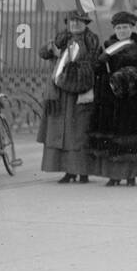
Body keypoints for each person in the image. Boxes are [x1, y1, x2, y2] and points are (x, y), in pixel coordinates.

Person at [89, 11, 137, 186]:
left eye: (125, 27)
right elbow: (96, 70)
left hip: (133, 99)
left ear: (132, 28)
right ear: (114, 29)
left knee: (131, 136)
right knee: (113, 136)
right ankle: (114, 175)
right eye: (119, 27)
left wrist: (130, 76)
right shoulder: (107, 46)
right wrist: (100, 62)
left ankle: (131, 174)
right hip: (111, 100)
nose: (122, 30)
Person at [38, 10, 102, 183]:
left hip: (81, 94)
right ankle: (68, 171)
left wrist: (71, 67)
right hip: (59, 94)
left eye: (79, 21)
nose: (75, 24)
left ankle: (83, 171)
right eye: (72, 21)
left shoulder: (91, 41)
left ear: (85, 23)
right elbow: (43, 52)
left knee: (79, 134)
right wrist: (52, 49)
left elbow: (95, 63)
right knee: (63, 134)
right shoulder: (62, 40)